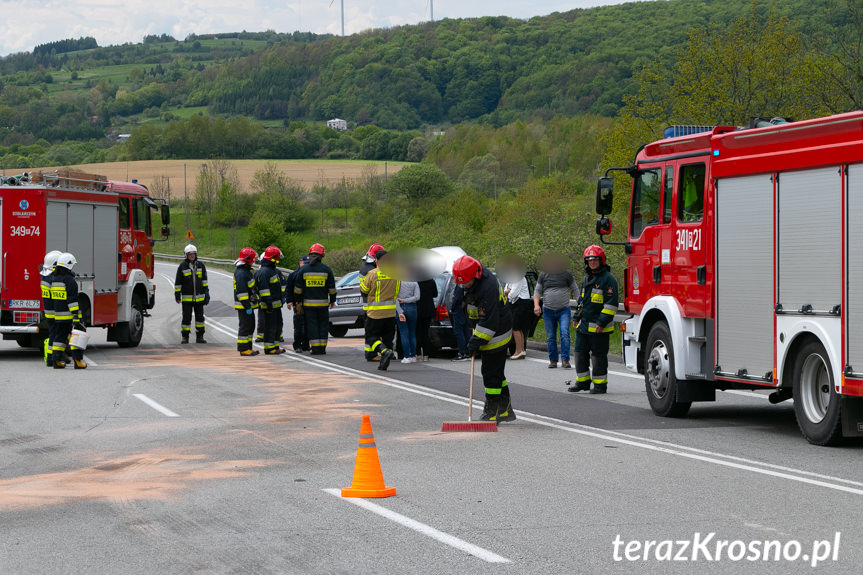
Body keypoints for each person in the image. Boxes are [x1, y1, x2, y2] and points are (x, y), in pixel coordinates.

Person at [454, 255, 515, 421]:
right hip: (485, 328)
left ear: (475, 276)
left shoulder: (487, 288)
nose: (463, 286)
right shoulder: (468, 278)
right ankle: (504, 410)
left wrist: (475, 341)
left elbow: (489, 322)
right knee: (496, 373)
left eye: (466, 282)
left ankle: (492, 410)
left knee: (490, 373)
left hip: (497, 333)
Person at [569, 245, 618, 394]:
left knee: (598, 357)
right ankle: (583, 382)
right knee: (579, 354)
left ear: (601, 260)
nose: (592, 262)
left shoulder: (608, 279)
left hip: (599, 328)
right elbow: (582, 300)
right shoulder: (587, 278)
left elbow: (611, 304)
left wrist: (601, 322)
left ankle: (600, 385)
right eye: (589, 260)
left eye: (595, 259)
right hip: (584, 326)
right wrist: (577, 316)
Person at [533, 254, 579, 369]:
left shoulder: (567, 274)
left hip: (563, 309)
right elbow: (537, 291)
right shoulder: (544, 274)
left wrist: (580, 304)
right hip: (548, 310)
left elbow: (575, 289)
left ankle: (565, 360)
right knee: (551, 336)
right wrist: (536, 305)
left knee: (564, 333)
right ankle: (553, 360)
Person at [293, 243, 337, 355]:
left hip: (308, 306)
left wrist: (298, 302)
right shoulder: (327, 270)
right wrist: (332, 300)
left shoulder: (303, 270)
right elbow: (332, 289)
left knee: (312, 326)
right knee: (323, 325)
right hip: (323, 305)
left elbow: (298, 289)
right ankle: (322, 348)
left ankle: (316, 348)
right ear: (322, 256)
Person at [360, 250, 399, 370]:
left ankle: (383, 351)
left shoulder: (372, 273)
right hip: (390, 313)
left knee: (371, 337)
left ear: (376, 260)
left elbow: (364, 290)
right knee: (388, 338)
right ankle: (384, 362)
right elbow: (397, 292)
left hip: (375, 313)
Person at [51, 252, 86, 369]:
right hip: (69, 315)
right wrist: (76, 315)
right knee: (77, 336)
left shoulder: (55, 279)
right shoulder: (70, 281)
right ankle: (78, 361)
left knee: (59, 338)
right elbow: (72, 300)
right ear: (69, 265)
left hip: (58, 315)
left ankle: (56, 360)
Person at [174, 244, 209, 344]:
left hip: (199, 298)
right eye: (190, 254)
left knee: (200, 318)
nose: (192, 256)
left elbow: (204, 281)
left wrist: (206, 293)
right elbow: (178, 282)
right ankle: (185, 337)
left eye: (193, 254)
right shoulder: (182, 266)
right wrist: (177, 295)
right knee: (186, 318)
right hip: (187, 299)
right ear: (186, 255)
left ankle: (200, 336)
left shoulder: (201, 266)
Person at [256, 245, 287, 355]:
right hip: (270, 306)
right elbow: (264, 290)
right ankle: (269, 348)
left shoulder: (272, 270)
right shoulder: (265, 272)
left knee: (277, 325)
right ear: (272, 258)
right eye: (277, 258)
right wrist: (269, 305)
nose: (278, 261)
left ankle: (275, 346)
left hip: (275, 305)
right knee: (270, 326)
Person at [234, 247, 259, 356]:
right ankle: (243, 349)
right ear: (247, 259)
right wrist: (247, 306)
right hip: (244, 306)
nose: (254, 262)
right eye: (253, 259)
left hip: (248, 306)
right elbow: (242, 292)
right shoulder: (241, 273)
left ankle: (248, 347)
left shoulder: (246, 271)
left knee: (250, 326)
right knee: (245, 327)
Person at [41, 250, 62, 367]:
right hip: (55, 312)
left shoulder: (44, 277)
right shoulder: (52, 279)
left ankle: (51, 357)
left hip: (48, 312)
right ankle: (51, 358)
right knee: (55, 335)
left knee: (52, 334)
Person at [505, 274, 532, 360]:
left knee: (516, 327)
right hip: (515, 303)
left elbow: (513, 294)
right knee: (517, 327)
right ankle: (521, 350)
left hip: (520, 303)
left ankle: (518, 350)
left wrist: (508, 292)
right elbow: (506, 289)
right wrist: (507, 291)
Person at [286, 255, 310, 352]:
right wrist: (289, 301)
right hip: (298, 304)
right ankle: (297, 345)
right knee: (299, 326)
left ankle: (306, 345)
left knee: (308, 325)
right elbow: (288, 289)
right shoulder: (294, 275)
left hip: (308, 303)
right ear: (300, 263)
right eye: (305, 263)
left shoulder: (309, 274)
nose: (306, 266)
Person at [396, 279, 420, 363]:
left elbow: (395, 297)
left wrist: (399, 311)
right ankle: (413, 356)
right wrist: (407, 300)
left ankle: (406, 356)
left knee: (404, 333)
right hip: (412, 308)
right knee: (412, 332)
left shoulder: (397, 282)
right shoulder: (414, 281)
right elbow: (417, 297)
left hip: (401, 306)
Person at [415, 277, 438, 361]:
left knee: (417, 332)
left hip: (418, 309)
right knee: (426, 332)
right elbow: (435, 294)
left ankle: (418, 354)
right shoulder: (431, 281)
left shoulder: (415, 281)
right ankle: (426, 355)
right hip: (428, 309)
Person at [449, 283, 472, 361]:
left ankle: (462, 353)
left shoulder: (459, 285)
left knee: (459, 331)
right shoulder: (467, 283)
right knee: (466, 331)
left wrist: (452, 308)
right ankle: (468, 352)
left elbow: (457, 298)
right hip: (466, 309)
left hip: (458, 310)